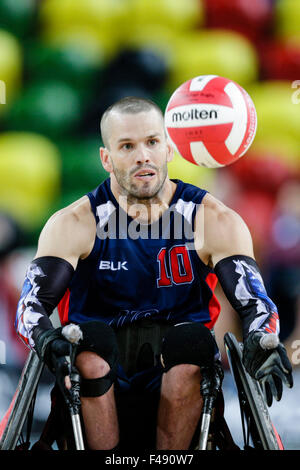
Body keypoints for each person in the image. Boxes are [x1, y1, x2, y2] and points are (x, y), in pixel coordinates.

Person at [15, 97, 293, 451]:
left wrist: (260, 338)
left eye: (152, 142)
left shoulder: (213, 219)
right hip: (95, 380)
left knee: (192, 343)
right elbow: (30, 305)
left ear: (168, 148)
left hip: (181, 378)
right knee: (87, 342)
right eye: (127, 146)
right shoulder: (73, 223)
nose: (142, 156)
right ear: (106, 158)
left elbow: (256, 302)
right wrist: (44, 339)